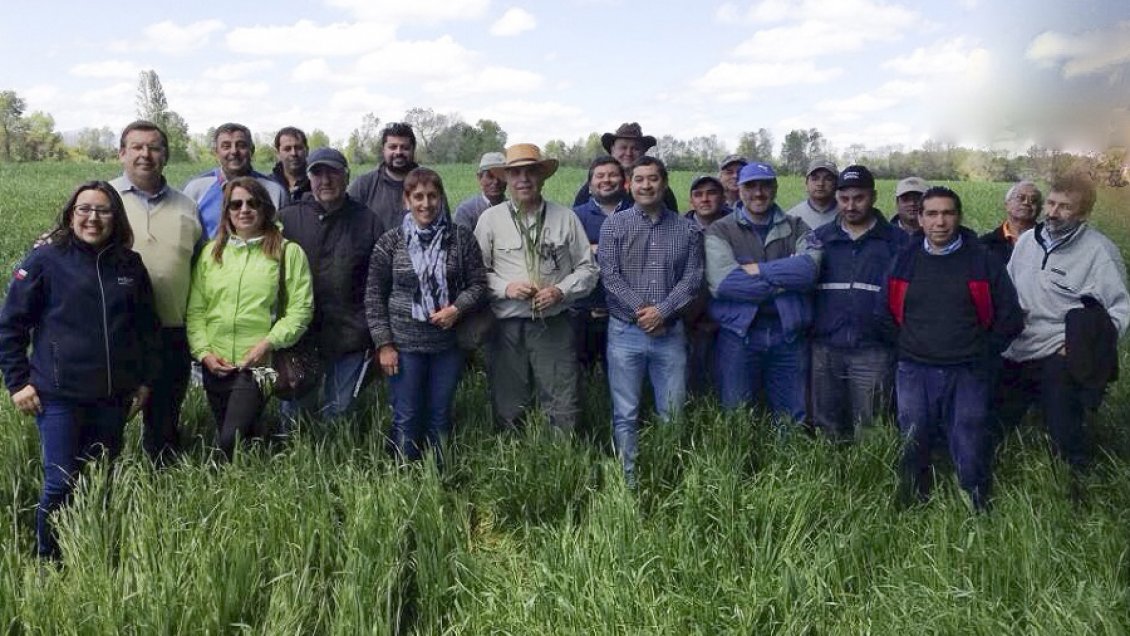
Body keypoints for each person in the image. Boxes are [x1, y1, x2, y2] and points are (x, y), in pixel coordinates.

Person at [0, 181, 158, 560]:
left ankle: (92, 551)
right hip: (58, 396)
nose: (93, 218)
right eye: (84, 209)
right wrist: (18, 383)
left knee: (100, 481)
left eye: (103, 210)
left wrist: (144, 381)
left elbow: (146, 330)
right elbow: (10, 325)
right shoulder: (45, 260)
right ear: (71, 214)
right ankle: (49, 560)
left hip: (113, 398)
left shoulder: (130, 265)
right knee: (60, 482)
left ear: (115, 217)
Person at [879, 186, 1022, 511]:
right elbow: (883, 311)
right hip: (914, 368)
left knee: (969, 436)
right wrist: (905, 347)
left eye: (947, 213)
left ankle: (975, 502)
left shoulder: (981, 260)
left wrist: (984, 351)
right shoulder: (904, 260)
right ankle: (914, 501)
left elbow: (1010, 316)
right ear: (920, 219)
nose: (940, 222)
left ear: (958, 217)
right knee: (913, 435)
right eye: (931, 214)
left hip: (968, 369)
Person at [997, 173, 1129, 486]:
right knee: (996, 422)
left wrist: (1080, 348)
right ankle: (999, 473)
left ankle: (1075, 486)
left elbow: (1120, 310)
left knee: (1064, 431)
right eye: (1052, 203)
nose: (1053, 212)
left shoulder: (1099, 252)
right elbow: (1008, 287)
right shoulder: (1027, 241)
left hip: (1059, 353)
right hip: (1017, 346)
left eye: (1065, 207)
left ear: (1084, 214)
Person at [366, 168, 488, 465]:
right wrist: (384, 344)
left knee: (439, 414)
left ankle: (439, 474)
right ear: (406, 201)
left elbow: (479, 284)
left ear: (441, 198)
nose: (426, 204)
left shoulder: (460, 239)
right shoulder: (391, 242)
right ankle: (404, 475)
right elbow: (374, 295)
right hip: (403, 347)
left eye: (432, 196)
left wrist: (457, 308)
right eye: (418, 197)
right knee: (406, 415)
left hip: (448, 345)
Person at [186, 177, 314, 460]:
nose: (244, 210)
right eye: (236, 205)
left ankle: (218, 478)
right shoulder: (211, 253)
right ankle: (259, 472)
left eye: (252, 203)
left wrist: (266, 345)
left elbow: (300, 310)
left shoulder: (287, 252)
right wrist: (204, 353)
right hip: (216, 363)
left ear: (265, 208)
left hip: (259, 364)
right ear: (227, 212)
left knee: (229, 439)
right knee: (243, 435)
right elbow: (196, 310)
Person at [475, 143, 598, 433]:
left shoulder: (565, 218)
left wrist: (560, 291)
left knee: (562, 398)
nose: (524, 179)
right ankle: (511, 452)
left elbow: (588, 269)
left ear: (542, 177)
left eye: (531, 172)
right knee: (508, 400)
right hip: (506, 325)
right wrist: (506, 288)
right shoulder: (490, 220)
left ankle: (563, 452)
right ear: (507, 179)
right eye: (516, 173)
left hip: (554, 322)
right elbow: (476, 273)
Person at [599, 156, 703, 480]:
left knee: (672, 413)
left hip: (670, 334)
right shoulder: (614, 225)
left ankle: (667, 476)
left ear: (665, 183)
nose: (646, 185)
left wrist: (662, 312)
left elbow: (692, 279)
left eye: (653, 179)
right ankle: (627, 479)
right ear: (629, 185)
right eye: (639, 179)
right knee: (625, 413)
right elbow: (610, 276)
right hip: (625, 333)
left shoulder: (687, 229)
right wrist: (643, 312)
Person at [109, 120, 202, 464]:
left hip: (171, 330)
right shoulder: (104, 198)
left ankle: (160, 478)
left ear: (166, 155)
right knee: (109, 416)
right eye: (137, 147)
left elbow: (199, 265)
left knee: (164, 418)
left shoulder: (186, 206)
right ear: (122, 154)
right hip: (117, 330)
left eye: (154, 147)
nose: (145, 154)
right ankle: (105, 480)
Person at [704, 162, 820, 424]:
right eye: (750, 186)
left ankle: (787, 453)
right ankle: (740, 452)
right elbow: (724, 283)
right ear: (739, 189)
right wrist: (785, 280)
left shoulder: (797, 226)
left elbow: (809, 271)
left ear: (775, 188)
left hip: (788, 334)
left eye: (765, 185)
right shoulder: (720, 230)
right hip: (739, 334)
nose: (758, 193)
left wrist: (757, 270)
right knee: (736, 413)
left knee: (791, 416)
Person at [278, 148, 386, 425]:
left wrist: (375, 334)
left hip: (349, 334)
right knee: (294, 415)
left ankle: (336, 450)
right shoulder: (288, 219)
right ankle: (293, 450)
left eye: (333, 173)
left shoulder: (367, 221)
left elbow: (380, 283)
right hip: (299, 337)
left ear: (347, 176)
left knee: (338, 414)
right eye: (318, 174)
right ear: (309, 178)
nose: (325, 181)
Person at [809, 165, 903, 441]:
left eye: (859, 198)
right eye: (844, 198)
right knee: (826, 425)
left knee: (872, 425)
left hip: (874, 349)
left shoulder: (896, 242)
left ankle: (869, 467)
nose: (850, 206)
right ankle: (828, 468)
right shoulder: (820, 239)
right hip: (825, 347)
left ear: (873, 197)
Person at [571, 155, 632, 373]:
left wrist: (594, 248)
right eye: (600, 176)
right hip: (582, 308)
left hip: (625, 311)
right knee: (580, 371)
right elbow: (566, 257)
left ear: (624, 182)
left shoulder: (638, 213)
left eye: (612, 175)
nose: (606, 180)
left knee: (619, 371)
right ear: (589, 186)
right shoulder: (574, 217)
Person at [183, 122, 286, 239]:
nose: (234, 151)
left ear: (252, 150)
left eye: (241, 145)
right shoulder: (196, 189)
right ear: (216, 152)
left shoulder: (274, 191)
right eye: (226, 146)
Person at [682, 175, 728, 397]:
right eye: (698, 195)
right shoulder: (678, 229)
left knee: (724, 378)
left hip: (727, 314)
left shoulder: (736, 227)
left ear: (723, 198)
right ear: (691, 201)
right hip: (689, 316)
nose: (705, 199)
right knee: (692, 374)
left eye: (711, 193)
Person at [571, 122, 678, 210]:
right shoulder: (596, 186)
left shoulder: (657, 188)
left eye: (635, 148)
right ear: (612, 149)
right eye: (623, 147)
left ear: (643, 152)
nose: (628, 153)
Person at [348, 122, 420, 230]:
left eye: (405, 148)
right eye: (393, 147)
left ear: (413, 150)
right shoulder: (363, 185)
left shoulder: (429, 182)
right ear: (383, 150)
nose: (398, 152)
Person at [981, 180, 1041, 266]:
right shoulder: (985, 244)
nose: (1026, 203)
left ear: (1040, 209)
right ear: (1007, 204)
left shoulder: (1049, 242)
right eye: (1021, 198)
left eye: (1034, 200)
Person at [453, 151, 507, 232]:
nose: (496, 182)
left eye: (500, 176)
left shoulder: (515, 209)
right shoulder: (466, 211)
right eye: (490, 176)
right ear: (479, 178)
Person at [785, 158, 839, 230]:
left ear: (837, 184)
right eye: (815, 179)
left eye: (828, 179)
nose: (820, 184)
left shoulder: (848, 214)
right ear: (806, 183)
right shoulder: (792, 217)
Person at [270, 126, 311, 204]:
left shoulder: (317, 183)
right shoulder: (268, 185)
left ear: (307, 151)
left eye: (298, 148)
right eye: (287, 149)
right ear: (277, 153)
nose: (293, 153)